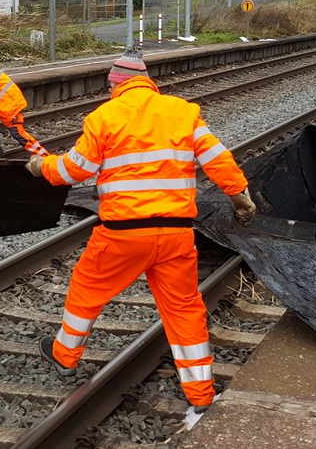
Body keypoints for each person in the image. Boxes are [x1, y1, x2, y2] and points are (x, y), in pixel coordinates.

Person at [26, 49, 257, 414]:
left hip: (122, 234)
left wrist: (42, 167)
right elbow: (218, 159)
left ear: (114, 86)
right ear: (149, 83)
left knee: (87, 288)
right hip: (176, 234)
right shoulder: (183, 112)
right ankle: (201, 395)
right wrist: (240, 197)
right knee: (184, 309)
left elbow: (74, 171)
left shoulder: (104, 117)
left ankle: (65, 354)